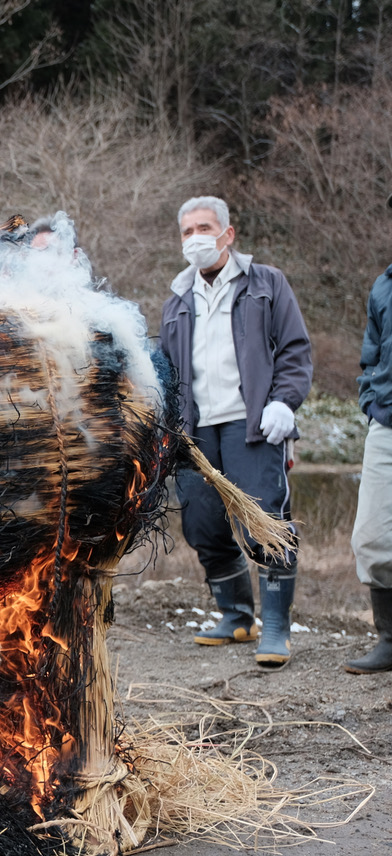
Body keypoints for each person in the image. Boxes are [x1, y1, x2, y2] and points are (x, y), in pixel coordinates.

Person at [160, 196, 312, 668]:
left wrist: (285, 402)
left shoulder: (266, 284)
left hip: (253, 425)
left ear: (228, 234)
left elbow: (293, 348)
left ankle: (276, 628)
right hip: (198, 431)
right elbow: (167, 372)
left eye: (204, 228)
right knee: (202, 523)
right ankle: (236, 615)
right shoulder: (176, 303)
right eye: (187, 231)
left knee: (264, 521)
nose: (195, 238)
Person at [345, 195, 392, 674]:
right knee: (373, 538)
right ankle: (390, 639)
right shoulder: (384, 284)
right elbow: (371, 352)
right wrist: (370, 399)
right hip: (388, 426)